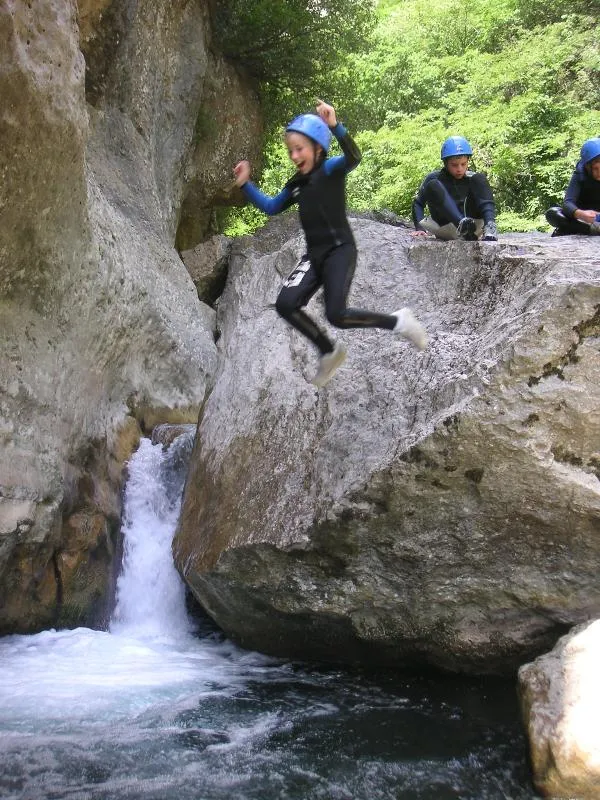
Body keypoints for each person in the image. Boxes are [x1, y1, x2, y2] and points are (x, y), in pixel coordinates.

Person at [233, 99, 428, 389]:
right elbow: (273, 207)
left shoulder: (332, 169)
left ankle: (398, 321)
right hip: (314, 256)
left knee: (336, 314)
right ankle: (329, 351)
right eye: (291, 151)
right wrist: (245, 185)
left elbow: (354, 156)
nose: (294, 155)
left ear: (318, 148)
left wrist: (335, 126)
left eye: (300, 148)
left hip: (340, 250)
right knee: (286, 304)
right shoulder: (295, 184)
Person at [412, 136, 498, 242]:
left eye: (463, 164)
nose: (459, 169)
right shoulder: (434, 178)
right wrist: (420, 228)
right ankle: (462, 225)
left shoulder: (472, 178)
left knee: (479, 178)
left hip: (473, 228)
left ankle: (490, 226)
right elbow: (418, 203)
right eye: (454, 165)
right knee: (433, 185)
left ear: (468, 161)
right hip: (446, 226)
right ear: (445, 163)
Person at [545, 138, 600, 237]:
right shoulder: (580, 174)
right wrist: (581, 214)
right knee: (552, 213)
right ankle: (591, 229)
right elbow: (567, 203)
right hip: (583, 219)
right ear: (587, 166)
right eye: (596, 169)